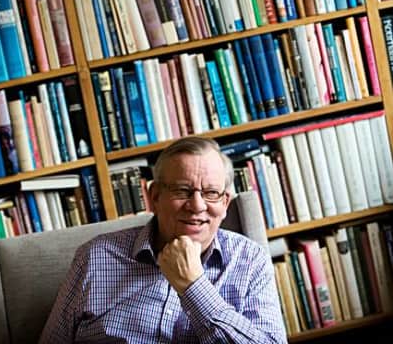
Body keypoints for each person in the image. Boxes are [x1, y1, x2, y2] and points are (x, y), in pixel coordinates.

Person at [40, 136, 286, 343]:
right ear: (155, 196)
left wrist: (193, 287)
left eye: (211, 193)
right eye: (182, 191)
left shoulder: (250, 260)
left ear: (224, 203)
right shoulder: (95, 256)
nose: (197, 205)